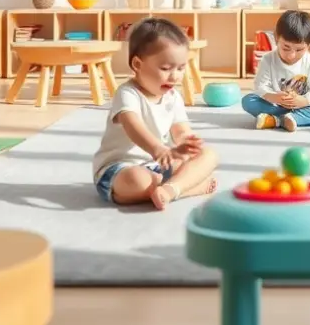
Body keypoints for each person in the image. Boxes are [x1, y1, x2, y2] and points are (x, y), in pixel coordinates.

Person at [92, 18, 218, 210]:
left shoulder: (173, 97)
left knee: (209, 155)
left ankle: (169, 190)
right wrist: (157, 149)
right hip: (121, 169)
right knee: (138, 180)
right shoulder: (127, 93)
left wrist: (187, 142)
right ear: (137, 64)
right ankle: (186, 187)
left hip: (159, 165)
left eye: (181, 68)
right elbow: (132, 125)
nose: (175, 76)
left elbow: (180, 129)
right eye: (166, 68)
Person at [241, 10, 310, 131]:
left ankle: (276, 120)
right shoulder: (268, 60)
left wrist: (304, 100)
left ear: (309, 45)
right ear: (276, 38)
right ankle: (287, 119)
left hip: (301, 107)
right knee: (248, 101)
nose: (291, 55)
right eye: (286, 48)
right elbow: (260, 86)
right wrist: (274, 97)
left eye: (299, 50)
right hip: (274, 105)